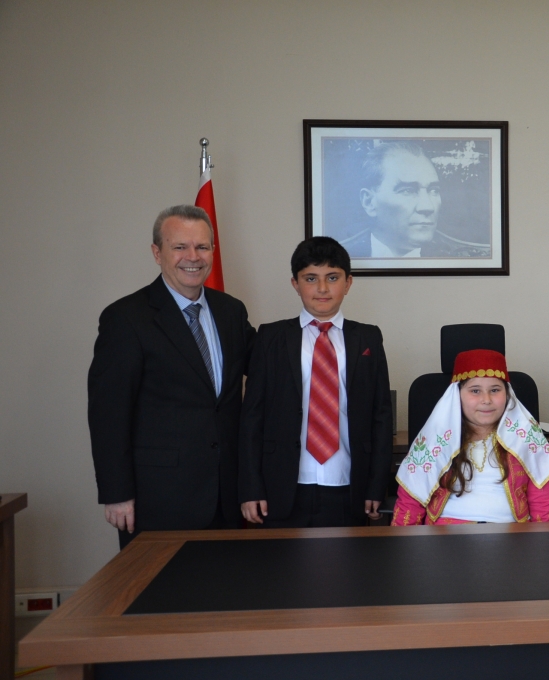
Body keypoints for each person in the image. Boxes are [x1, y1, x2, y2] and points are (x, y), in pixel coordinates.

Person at [88, 205, 256, 548]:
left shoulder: (231, 311)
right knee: (159, 585)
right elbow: (108, 414)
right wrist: (116, 493)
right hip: (159, 500)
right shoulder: (126, 318)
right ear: (157, 253)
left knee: (228, 582)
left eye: (202, 247)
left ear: (212, 252)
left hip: (227, 496)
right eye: (180, 246)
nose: (192, 257)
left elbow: (267, 369)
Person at [239, 236, 393, 527]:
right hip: (281, 486)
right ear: (295, 284)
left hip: (349, 484)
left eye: (332, 278)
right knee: (281, 557)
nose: (322, 288)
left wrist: (377, 486)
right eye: (311, 278)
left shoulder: (368, 337)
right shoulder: (271, 337)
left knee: (348, 557)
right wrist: (250, 487)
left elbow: (381, 416)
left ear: (348, 283)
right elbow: (252, 417)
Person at [392, 349, 549, 525]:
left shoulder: (527, 439)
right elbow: (410, 503)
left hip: (511, 535)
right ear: (457, 395)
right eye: (475, 391)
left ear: (507, 394)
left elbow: (544, 505)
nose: (486, 399)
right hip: (445, 535)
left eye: (495, 390)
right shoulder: (435, 441)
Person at [339, 141, 490, 259]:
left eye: (433, 190)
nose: (428, 207)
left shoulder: (471, 258)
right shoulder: (336, 258)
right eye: (408, 191)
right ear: (369, 202)